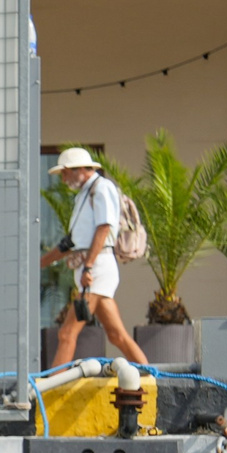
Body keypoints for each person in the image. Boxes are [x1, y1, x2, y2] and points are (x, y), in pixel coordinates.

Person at [45, 147, 150, 369]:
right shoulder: (85, 194)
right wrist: (40, 263)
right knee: (116, 335)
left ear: (80, 170)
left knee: (66, 334)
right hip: (91, 268)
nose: (63, 179)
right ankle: (152, 375)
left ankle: (51, 388)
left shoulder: (102, 188)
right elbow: (73, 240)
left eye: (65, 173)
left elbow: (104, 229)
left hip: (97, 268)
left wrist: (89, 268)